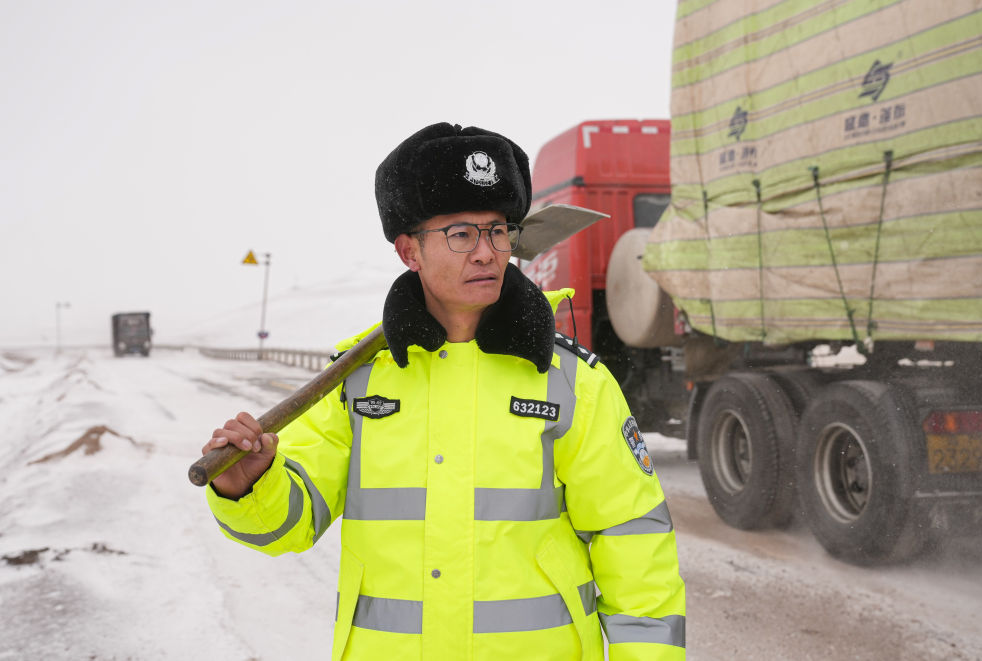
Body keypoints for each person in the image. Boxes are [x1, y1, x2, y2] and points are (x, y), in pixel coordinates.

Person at [202, 122, 686, 660]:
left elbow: (635, 546)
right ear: (409, 251)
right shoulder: (358, 382)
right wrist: (251, 486)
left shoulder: (572, 382)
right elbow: (287, 527)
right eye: (461, 234)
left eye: (497, 231)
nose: (485, 253)